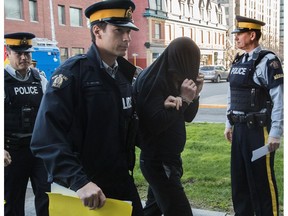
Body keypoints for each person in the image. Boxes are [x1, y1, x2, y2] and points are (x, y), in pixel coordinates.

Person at [30, 1, 143, 215]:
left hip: (119, 180)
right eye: (119, 30)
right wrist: (79, 181)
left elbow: (130, 129)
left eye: (128, 31)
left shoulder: (123, 76)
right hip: (83, 190)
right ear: (97, 31)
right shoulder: (73, 74)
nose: (127, 38)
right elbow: (45, 138)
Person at [133, 37, 204, 216]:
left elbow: (187, 117)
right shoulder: (153, 80)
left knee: (152, 209)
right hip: (158, 160)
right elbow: (154, 124)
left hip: (170, 159)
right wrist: (185, 99)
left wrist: (194, 95)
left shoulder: (175, 77)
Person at [224, 15, 284, 216]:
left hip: (260, 134)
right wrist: (228, 123)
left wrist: (276, 132)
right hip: (240, 131)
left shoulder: (268, 61)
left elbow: (279, 100)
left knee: (261, 182)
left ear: (252, 35)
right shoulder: (239, 60)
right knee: (240, 182)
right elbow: (232, 95)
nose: (236, 37)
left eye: (240, 34)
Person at [4, 32, 50, 216]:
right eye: (18, 53)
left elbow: (50, 111)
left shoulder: (40, 79)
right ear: (8, 52)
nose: (24, 57)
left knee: (46, 198)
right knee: (12, 202)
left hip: (38, 150)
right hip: (11, 153)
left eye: (27, 53)